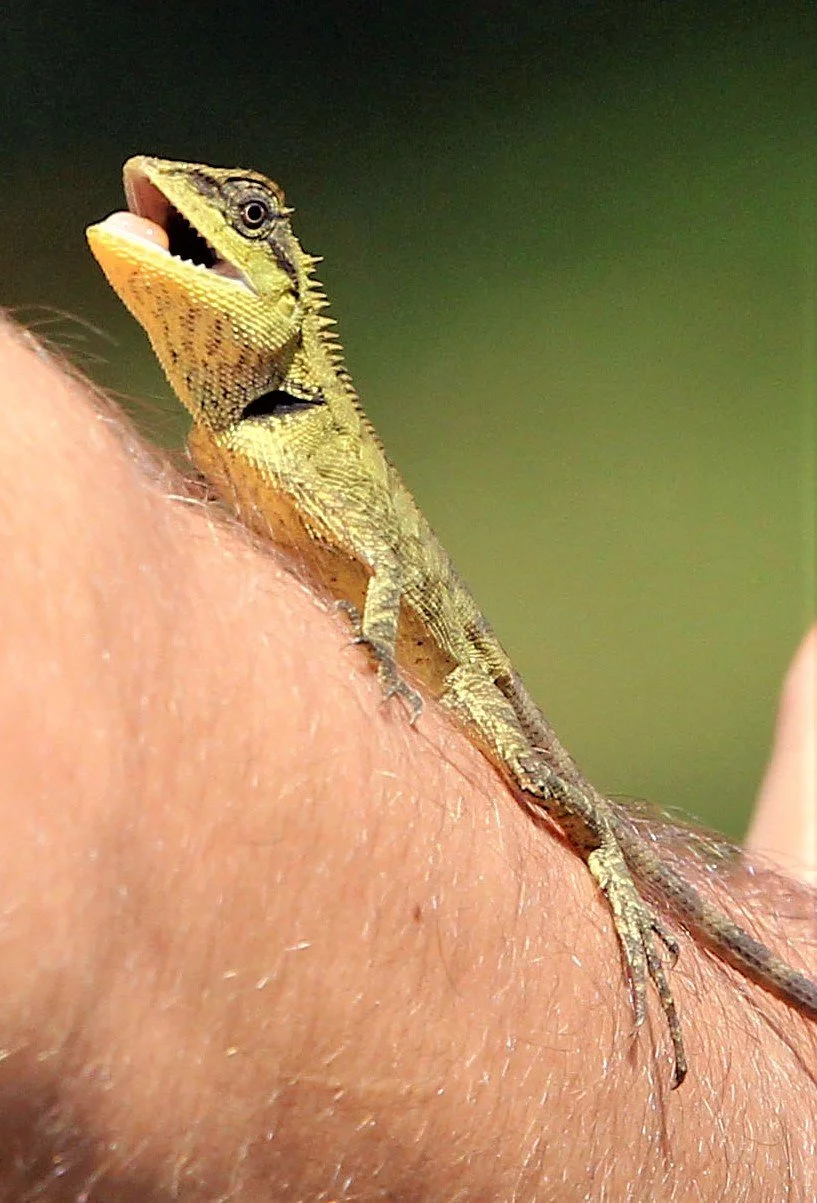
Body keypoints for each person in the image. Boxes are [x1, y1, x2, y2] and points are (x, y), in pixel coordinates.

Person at [1, 316, 814, 1199]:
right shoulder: (227, 434)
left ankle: (618, 875)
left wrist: (378, 652)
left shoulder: (298, 430)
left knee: (540, 778)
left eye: (248, 214)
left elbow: (380, 564)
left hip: (456, 665)